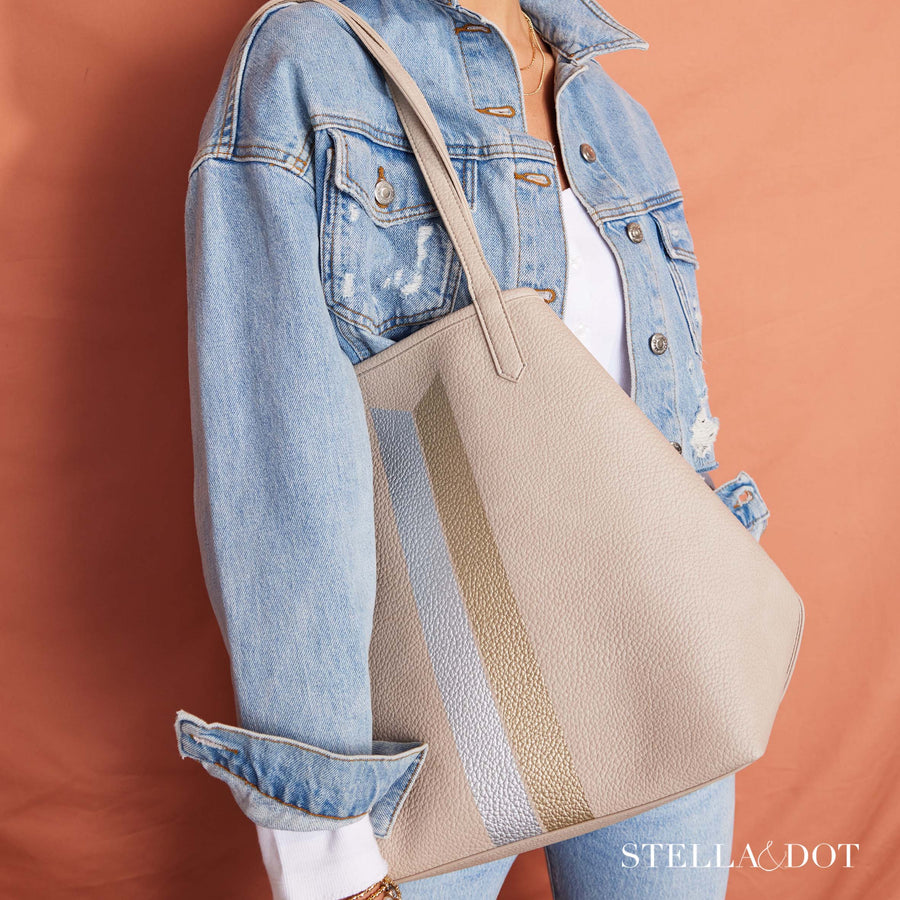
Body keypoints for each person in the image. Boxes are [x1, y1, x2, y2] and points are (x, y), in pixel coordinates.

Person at [174, 0, 772, 897]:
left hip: (664, 669)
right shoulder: (310, 62)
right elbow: (277, 467)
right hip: (440, 714)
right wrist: (325, 840)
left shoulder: (608, 109)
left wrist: (722, 616)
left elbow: (668, 419)